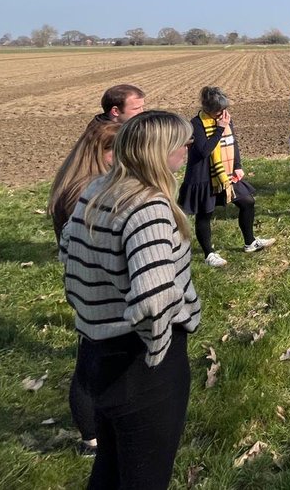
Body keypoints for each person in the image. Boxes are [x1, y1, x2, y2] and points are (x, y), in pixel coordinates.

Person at [59, 110, 201, 490]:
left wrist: (90, 316)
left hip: (97, 353)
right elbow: (153, 299)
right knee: (144, 478)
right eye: (182, 143)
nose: (188, 149)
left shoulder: (97, 190)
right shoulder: (149, 207)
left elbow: (67, 256)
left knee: (109, 468)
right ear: (159, 151)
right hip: (141, 366)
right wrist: (157, 353)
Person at [48, 118, 121, 458]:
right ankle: (91, 437)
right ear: (101, 152)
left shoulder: (84, 181)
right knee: (90, 360)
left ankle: (100, 426)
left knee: (97, 354)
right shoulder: (83, 190)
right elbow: (92, 242)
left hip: (89, 282)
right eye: (117, 153)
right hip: (96, 285)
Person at [178, 87, 274, 267]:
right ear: (207, 109)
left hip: (226, 172)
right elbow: (205, 151)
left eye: (224, 109)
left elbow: (233, 142)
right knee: (205, 214)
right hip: (204, 176)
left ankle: (250, 242)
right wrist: (220, 129)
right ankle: (209, 254)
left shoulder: (224, 119)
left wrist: (237, 166)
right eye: (218, 111)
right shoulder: (196, 124)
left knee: (248, 202)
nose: (223, 114)